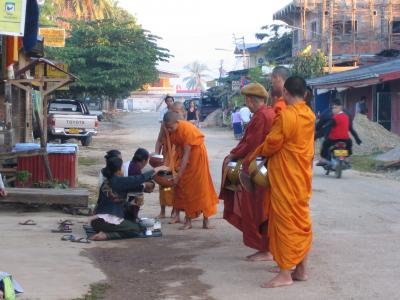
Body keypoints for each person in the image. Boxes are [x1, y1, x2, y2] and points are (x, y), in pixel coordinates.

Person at [251, 76, 315, 288]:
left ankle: (285, 273)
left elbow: (272, 144)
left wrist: (255, 156)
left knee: (285, 223)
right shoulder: (309, 114)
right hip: (301, 177)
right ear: (304, 93)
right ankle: (302, 270)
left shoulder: (287, 116)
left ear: (286, 92)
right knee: (300, 221)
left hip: (287, 179)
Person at [220, 83, 275, 262]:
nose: (246, 103)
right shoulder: (265, 113)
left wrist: (234, 155)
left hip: (257, 169)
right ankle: (265, 246)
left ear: (251, 100)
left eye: (247, 100)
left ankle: (264, 248)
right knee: (260, 208)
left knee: (256, 209)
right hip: (262, 166)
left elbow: (252, 144)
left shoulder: (262, 117)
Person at [90, 157, 168, 241]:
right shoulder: (119, 181)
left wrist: (130, 203)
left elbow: (113, 199)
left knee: (130, 222)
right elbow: (139, 178)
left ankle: (105, 231)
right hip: (106, 222)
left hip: (95, 223)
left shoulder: (106, 182)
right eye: (122, 167)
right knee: (136, 229)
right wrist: (157, 169)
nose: (123, 169)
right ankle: (106, 236)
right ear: (118, 170)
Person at [163, 111, 219, 230]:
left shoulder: (187, 129)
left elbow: (187, 155)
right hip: (183, 157)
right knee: (184, 188)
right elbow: (176, 149)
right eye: (167, 128)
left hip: (196, 158)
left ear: (177, 122)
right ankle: (187, 221)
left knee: (202, 188)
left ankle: (206, 220)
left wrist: (179, 175)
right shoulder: (171, 130)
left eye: (171, 127)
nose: (169, 130)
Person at [155, 102, 186, 221]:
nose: (174, 114)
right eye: (172, 111)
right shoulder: (165, 124)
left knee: (176, 185)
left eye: (177, 112)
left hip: (179, 158)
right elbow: (159, 141)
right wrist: (157, 155)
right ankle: (162, 210)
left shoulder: (185, 125)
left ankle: (175, 211)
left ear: (183, 112)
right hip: (167, 157)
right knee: (164, 183)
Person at [317, 99, 362, 165]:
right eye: (333, 108)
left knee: (325, 145)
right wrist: (357, 139)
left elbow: (326, 127)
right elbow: (351, 129)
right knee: (349, 145)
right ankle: (345, 158)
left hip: (333, 139)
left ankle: (326, 160)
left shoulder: (333, 116)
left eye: (335, 108)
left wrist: (320, 134)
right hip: (345, 139)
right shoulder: (347, 116)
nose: (333, 109)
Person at [125, 148, 154, 221]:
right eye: (147, 161)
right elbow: (135, 186)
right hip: (126, 199)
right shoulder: (135, 168)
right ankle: (132, 217)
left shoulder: (130, 164)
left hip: (125, 193)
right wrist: (146, 185)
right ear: (144, 161)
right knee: (138, 195)